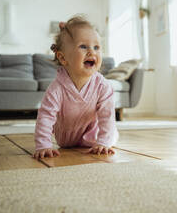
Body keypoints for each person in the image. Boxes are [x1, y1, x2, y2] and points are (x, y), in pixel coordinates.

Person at [33, 16, 118, 160]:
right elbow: (46, 116)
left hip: (94, 137)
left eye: (96, 47)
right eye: (83, 46)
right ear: (63, 58)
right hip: (66, 141)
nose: (92, 52)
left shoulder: (103, 86)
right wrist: (43, 145)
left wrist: (103, 142)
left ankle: (109, 137)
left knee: (111, 134)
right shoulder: (57, 88)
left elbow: (107, 116)